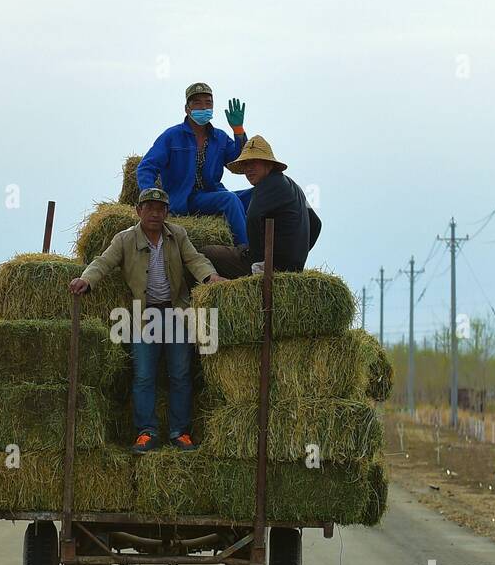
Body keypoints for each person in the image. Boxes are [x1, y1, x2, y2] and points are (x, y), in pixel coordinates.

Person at [69, 187, 218, 453]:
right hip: (143, 317)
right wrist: (86, 279)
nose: (154, 213)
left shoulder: (178, 235)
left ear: (166, 213)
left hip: (176, 313)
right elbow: (102, 262)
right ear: (138, 211)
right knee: (144, 376)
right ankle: (146, 432)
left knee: (181, 374)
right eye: (148, 208)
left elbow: (196, 260)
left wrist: (211, 278)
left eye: (160, 209)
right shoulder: (125, 239)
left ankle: (180, 432)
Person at [136, 82, 252, 245]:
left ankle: (274, 252)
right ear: (187, 108)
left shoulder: (219, 137)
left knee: (260, 193)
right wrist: (152, 198)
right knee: (230, 199)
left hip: (213, 194)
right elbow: (146, 167)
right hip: (184, 198)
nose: (204, 107)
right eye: (197, 102)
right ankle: (247, 250)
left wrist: (238, 130)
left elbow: (240, 163)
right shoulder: (172, 136)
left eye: (208, 103)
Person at [199, 135, 322, 279]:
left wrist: (256, 259)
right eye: (245, 164)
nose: (248, 169)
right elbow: (317, 224)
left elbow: (253, 216)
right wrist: (297, 257)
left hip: (270, 265)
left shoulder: (267, 184)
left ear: (268, 164)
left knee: (204, 253)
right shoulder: (295, 187)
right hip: (290, 267)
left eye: (254, 163)